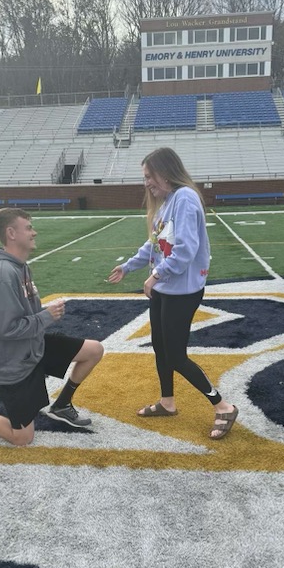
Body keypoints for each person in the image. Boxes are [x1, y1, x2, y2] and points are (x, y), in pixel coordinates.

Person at [0, 207, 103, 445]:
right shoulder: (3, 273)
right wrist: (46, 316)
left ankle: (62, 404)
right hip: (12, 363)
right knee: (22, 438)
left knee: (94, 350)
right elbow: (6, 329)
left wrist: (44, 314)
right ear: (11, 233)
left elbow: (22, 315)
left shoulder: (19, 266)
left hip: (30, 347)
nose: (34, 232)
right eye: (28, 228)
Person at [108, 147, 238, 440]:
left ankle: (223, 407)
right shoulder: (167, 203)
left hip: (182, 291)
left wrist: (155, 275)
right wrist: (128, 267)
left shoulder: (185, 198)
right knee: (160, 347)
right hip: (166, 289)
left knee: (177, 356)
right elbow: (154, 244)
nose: (146, 183)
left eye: (148, 176)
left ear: (165, 173)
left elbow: (185, 250)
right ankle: (167, 402)